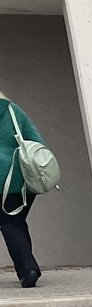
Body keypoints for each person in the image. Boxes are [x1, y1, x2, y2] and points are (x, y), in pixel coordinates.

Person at [0, 90, 43, 288]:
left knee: (10, 223)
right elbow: (37, 142)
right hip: (22, 180)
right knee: (14, 222)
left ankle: (28, 269)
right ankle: (28, 269)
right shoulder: (13, 111)